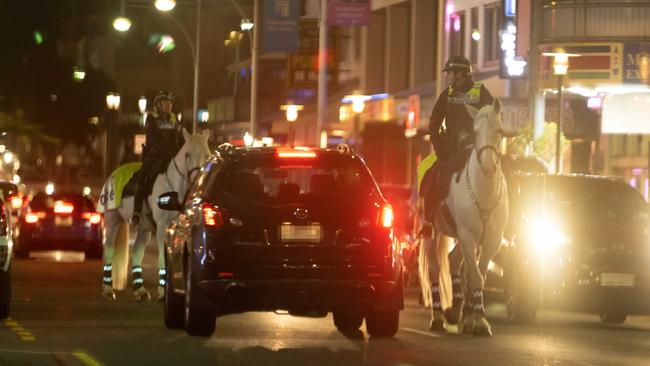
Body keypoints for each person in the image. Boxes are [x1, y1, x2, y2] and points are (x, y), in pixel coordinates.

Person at [421, 56, 494, 227]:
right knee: (432, 177)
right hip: (451, 150)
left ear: (460, 74)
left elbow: (493, 118)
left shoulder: (481, 92)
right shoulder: (448, 94)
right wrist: (439, 146)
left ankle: (507, 224)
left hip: (478, 150)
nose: (448, 78)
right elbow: (434, 122)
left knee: (503, 174)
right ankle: (429, 221)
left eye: (450, 74)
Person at [133, 90, 184, 223]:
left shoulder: (174, 118)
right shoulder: (151, 118)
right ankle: (137, 211)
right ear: (159, 105)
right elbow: (154, 140)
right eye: (166, 103)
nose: (169, 105)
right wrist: (168, 152)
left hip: (172, 156)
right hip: (154, 156)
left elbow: (180, 137)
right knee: (142, 177)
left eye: (170, 103)